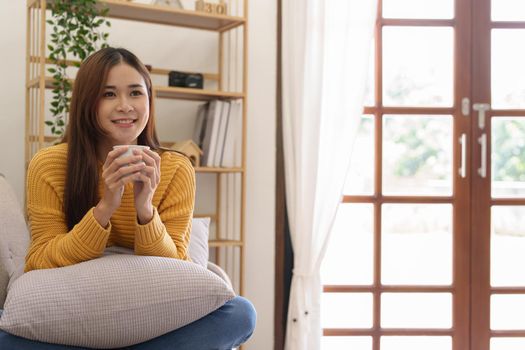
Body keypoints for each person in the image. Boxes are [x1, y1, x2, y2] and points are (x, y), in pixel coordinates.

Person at [0, 47, 255, 349]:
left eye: (135, 93)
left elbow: (177, 264)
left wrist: (145, 210)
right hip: (77, 313)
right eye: (108, 94)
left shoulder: (175, 168)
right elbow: (40, 260)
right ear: (86, 103)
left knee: (240, 314)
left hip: (152, 314)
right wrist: (105, 207)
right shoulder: (50, 165)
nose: (125, 106)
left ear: (149, 99)